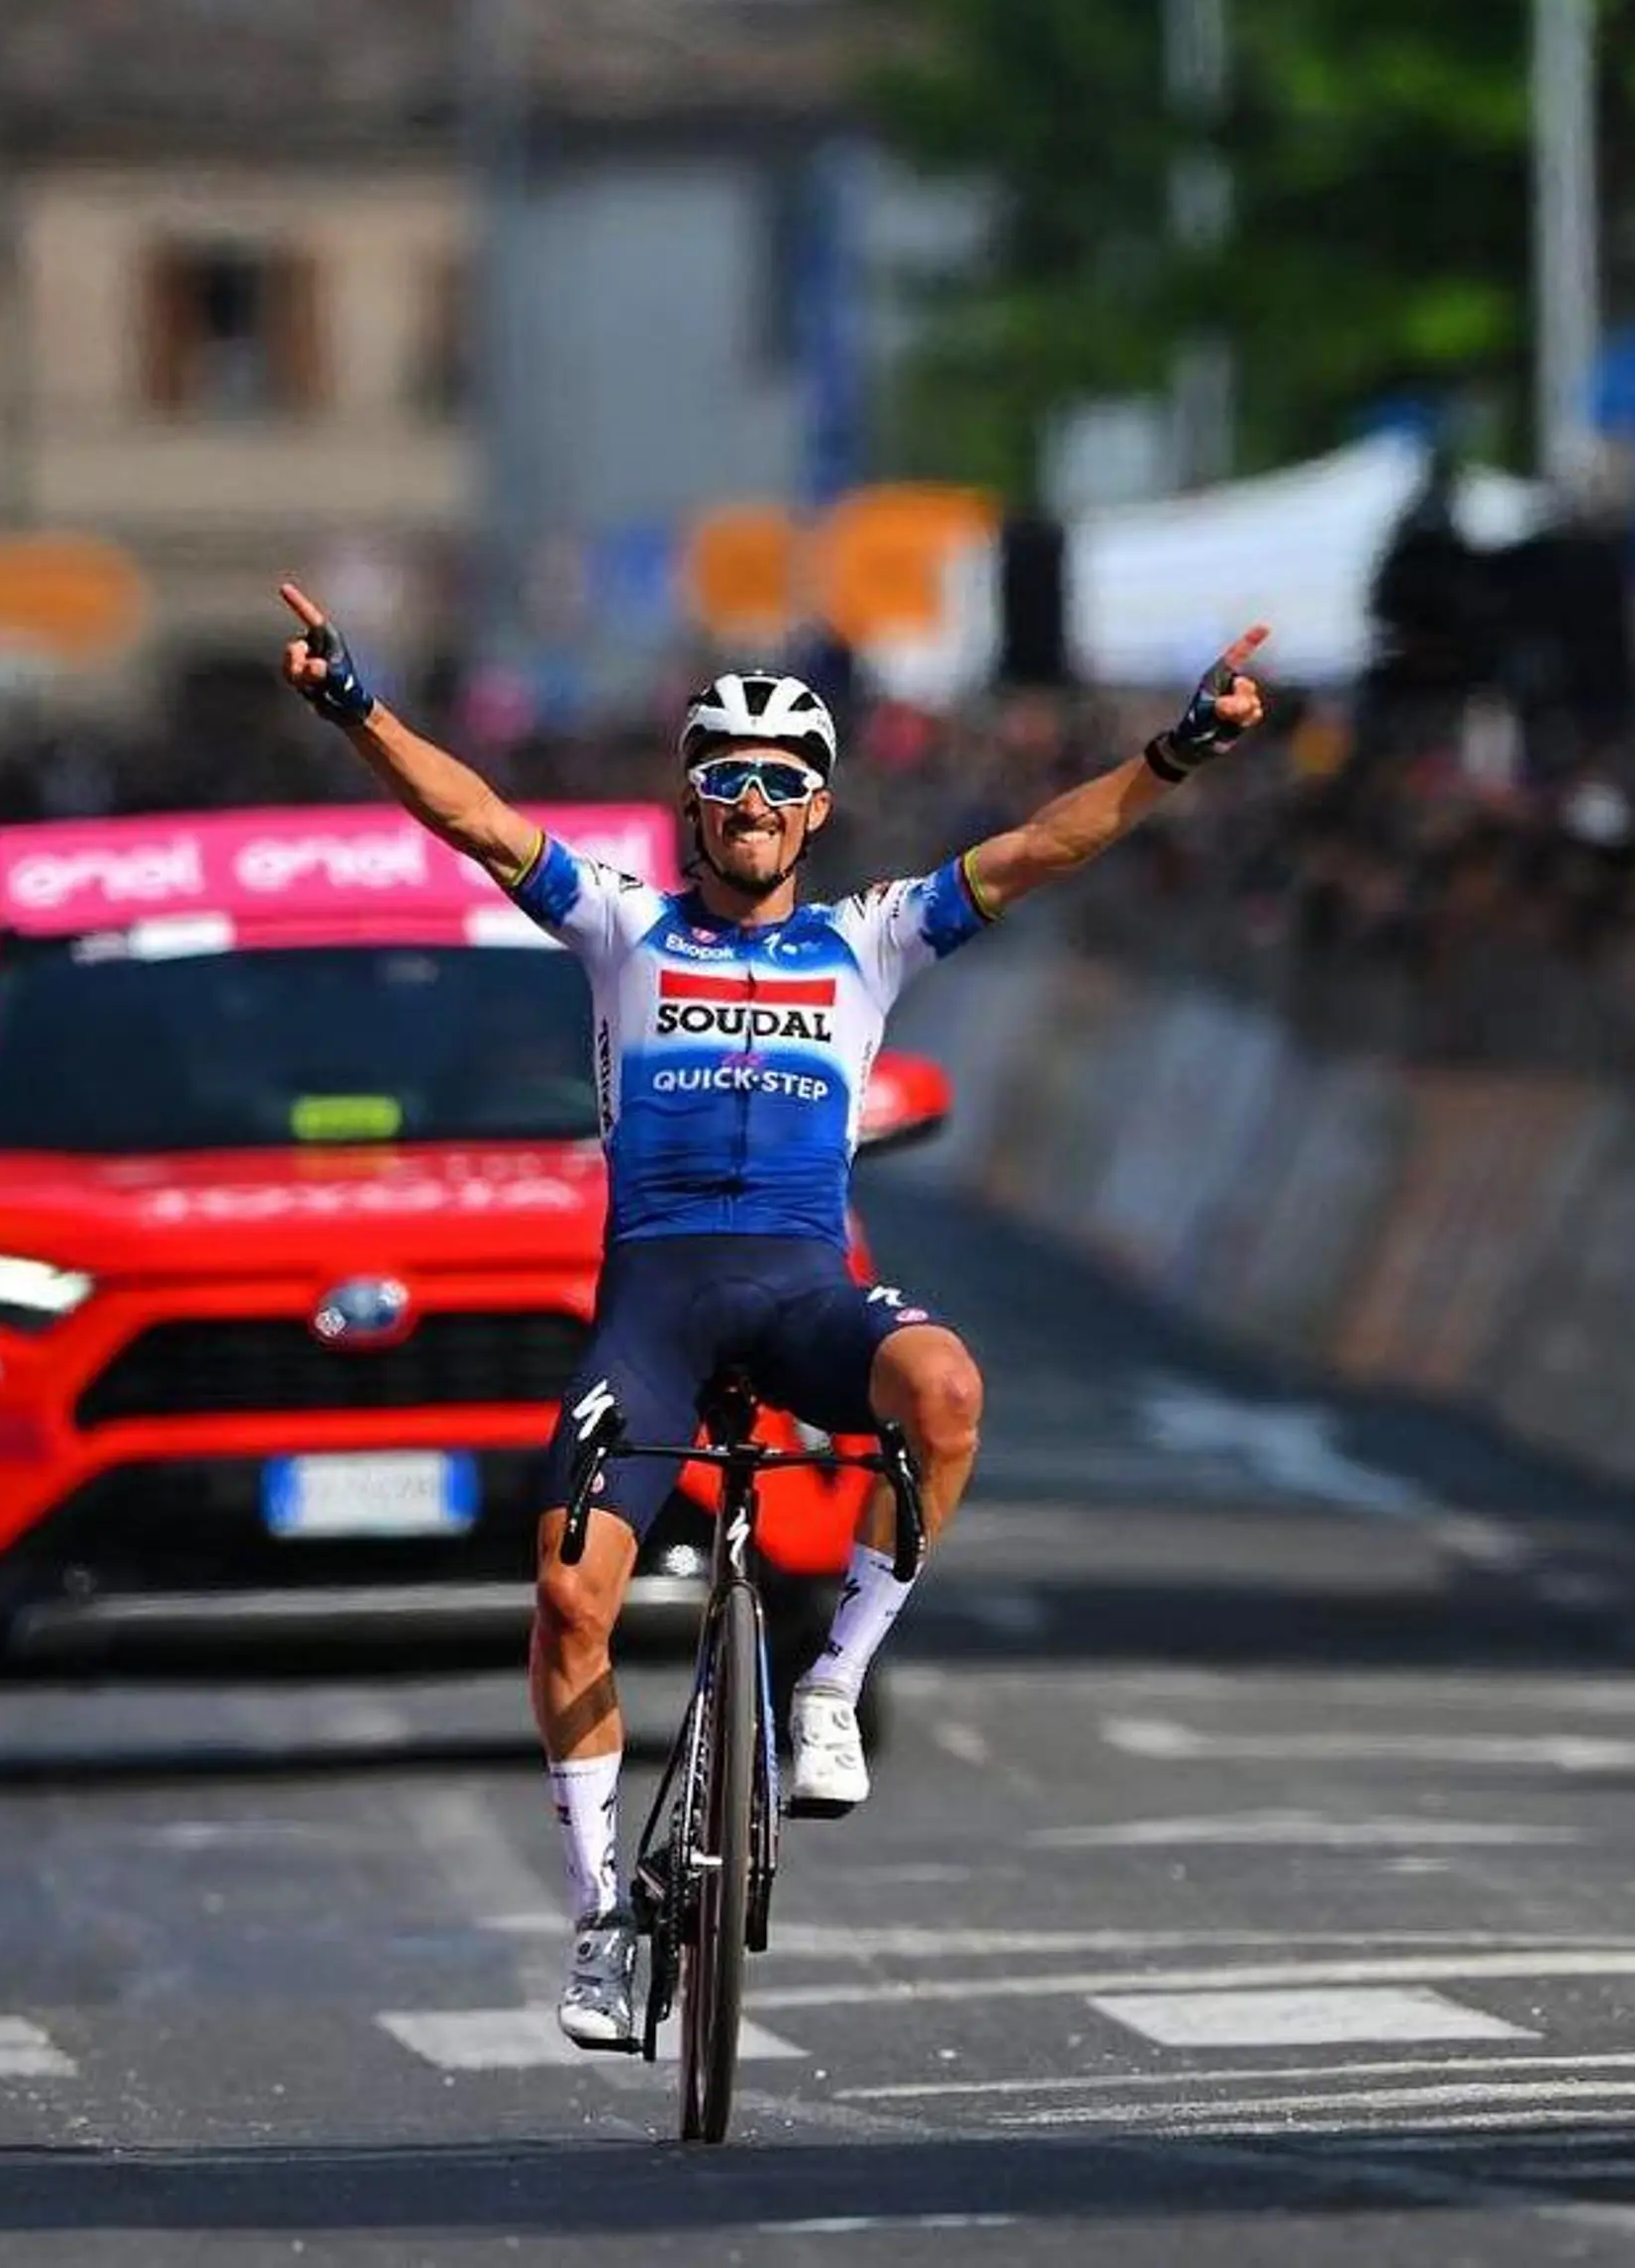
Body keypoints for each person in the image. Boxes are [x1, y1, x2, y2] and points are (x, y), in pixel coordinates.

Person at [275, 577, 1269, 2051]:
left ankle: (832, 1690)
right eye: (725, 779)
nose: (750, 800)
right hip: (657, 1308)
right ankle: (606, 1916)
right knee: (565, 1602)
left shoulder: (869, 938)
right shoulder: (619, 928)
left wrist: (1178, 749)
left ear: (815, 811)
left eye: (780, 782)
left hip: (804, 1289)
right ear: (692, 807)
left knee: (943, 1389)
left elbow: (1042, 847)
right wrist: (354, 705)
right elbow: (474, 815)